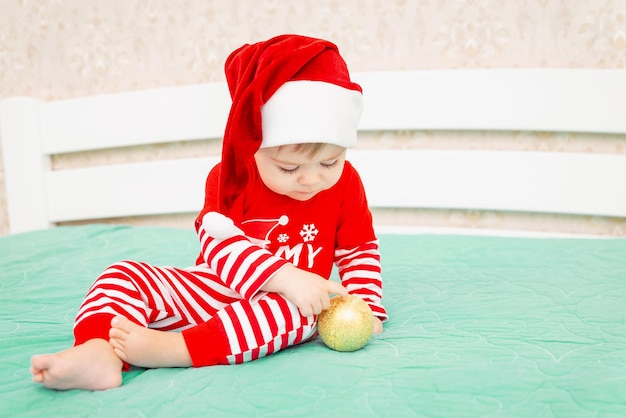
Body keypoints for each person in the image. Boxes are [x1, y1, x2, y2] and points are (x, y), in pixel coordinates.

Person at [30, 34, 388, 391]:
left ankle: (178, 349)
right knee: (124, 275)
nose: (311, 179)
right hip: (213, 288)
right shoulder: (231, 176)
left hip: (283, 308)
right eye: (289, 168)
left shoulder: (346, 184)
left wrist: (367, 304)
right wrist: (284, 275)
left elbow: (359, 249)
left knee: (305, 313)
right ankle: (97, 353)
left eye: (330, 161)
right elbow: (219, 246)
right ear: (254, 147)